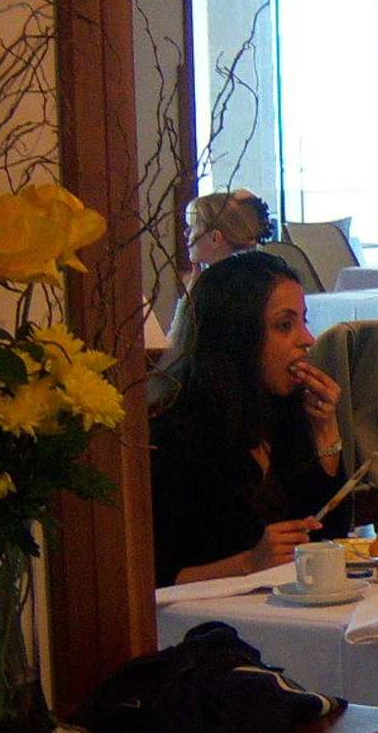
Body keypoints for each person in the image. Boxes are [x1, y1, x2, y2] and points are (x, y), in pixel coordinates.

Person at [148, 250, 347, 586]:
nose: (307, 339)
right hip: (204, 615)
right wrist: (249, 563)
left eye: (304, 320)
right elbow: (154, 578)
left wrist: (326, 430)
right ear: (237, 336)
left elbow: (330, 537)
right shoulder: (176, 429)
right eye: (285, 325)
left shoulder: (284, 408)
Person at [185, 189, 273, 272]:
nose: (185, 233)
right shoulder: (256, 275)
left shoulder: (221, 282)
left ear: (215, 238)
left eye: (192, 227)